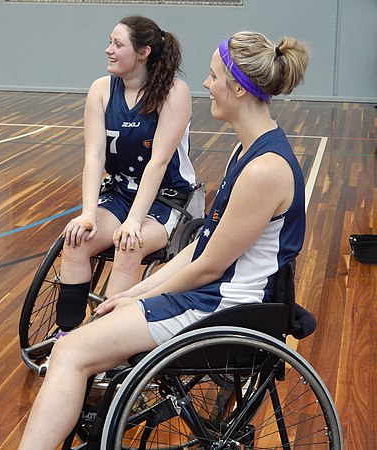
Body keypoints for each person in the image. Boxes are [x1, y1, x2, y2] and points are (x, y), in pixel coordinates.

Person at [18, 30, 309, 450]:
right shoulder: (246, 152)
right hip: (211, 295)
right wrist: (138, 290)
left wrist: (139, 299)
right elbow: (200, 247)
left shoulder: (265, 169)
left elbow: (209, 267)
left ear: (239, 89)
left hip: (224, 308)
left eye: (213, 76)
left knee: (70, 353)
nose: (207, 84)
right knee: (91, 335)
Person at [54, 15, 197, 335]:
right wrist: (88, 214)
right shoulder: (101, 90)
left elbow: (158, 162)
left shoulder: (175, 91)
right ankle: (67, 332)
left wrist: (133, 221)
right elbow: (93, 157)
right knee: (77, 241)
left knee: (128, 245)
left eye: (117, 44)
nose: (108, 50)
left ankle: (105, 336)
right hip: (120, 191)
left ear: (143, 52)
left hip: (167, 197)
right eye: (110, 42)